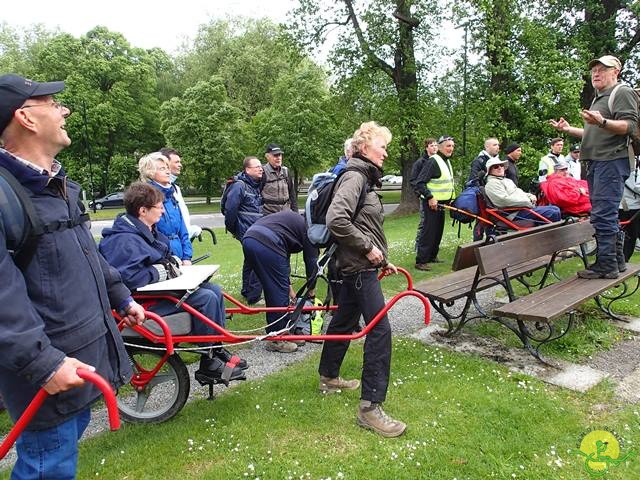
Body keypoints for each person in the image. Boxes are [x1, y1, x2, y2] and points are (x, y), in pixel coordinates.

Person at [0, 73, 145, 478]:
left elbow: (87, 255)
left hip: (80, 356)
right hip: (50, 366)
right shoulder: (5, 196)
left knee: (61, 452)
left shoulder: (61, 187)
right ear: (26, 118)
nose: (64, 110)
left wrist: (122, 296)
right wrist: (43, 363)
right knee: (47, 465)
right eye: (52, 103)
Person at [99, 182, 247, 381]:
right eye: (159, 207)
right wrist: (162, 270)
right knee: (206, 298)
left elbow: (164, 255)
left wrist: (172, 263)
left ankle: (216, 350)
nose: (162, 211)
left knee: (214, 290)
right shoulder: (123, 241)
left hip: (157, 294)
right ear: (143, 210)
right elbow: (128, 279)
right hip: (138, 305)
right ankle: (208, 361)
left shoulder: (148, 231)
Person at [317, 121, 405, 438]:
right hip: (357, 267)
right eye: (382, 145)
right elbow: (337, 219)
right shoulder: (355, 176)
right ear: (365, 148)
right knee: (380, 331)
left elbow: (363, 225)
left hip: (358, 265)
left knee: (342, 323)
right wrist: (369, 250)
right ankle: (370, 409)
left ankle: (328, 377)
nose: (386, 151)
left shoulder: (363, 178)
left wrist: (383, 258)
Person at [550, 54, 639, 278]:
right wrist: (569, 130)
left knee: (603, 214)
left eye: (602, 69)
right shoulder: (600, 97)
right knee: (604, 214)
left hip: (611, 161)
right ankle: (616, 262)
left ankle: (606, 265)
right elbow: (594, 133)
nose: (596, 73)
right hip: (598, 162)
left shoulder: (622, 92)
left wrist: (602, 121)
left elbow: (629, 125)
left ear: (615, 72)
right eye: (594, 70)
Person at [242, 210, 318, 353]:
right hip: (268, 243)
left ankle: (284, 332)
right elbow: (311, 262)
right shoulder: (311, 231)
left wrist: (290, 290)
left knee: (274, 289)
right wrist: (311, 293)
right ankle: (277, 338)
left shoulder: (293, 223)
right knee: (278, 292)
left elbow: (282, 264)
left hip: (250, 239)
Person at [223, 156, 264, 304]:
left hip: (254, 229)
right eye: (257, 167)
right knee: (258, 260)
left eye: (261, 166)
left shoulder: (254, 185)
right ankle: (254, 296)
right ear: (247, 170)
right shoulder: (239, 186)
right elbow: (230, 210)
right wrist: (235, 229)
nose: (261, 168)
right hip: (247, 230)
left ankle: (247, 291)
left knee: (250, 260)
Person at [138, 152, 193, 265]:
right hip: (161, 258)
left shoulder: (171, 196)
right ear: (150, 173)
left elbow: (183, 230)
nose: (168, 171)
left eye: (167, 167)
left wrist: (187, 256)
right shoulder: (146, 199)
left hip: (180, 255)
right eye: (162, 169)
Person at [413, 135, 455, 270]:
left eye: (453, 146)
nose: (451, 149)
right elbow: (420, 182)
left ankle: (432, 256)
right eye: (448, 146)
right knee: (428, 231)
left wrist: (451, 198)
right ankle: (421, 261)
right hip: (431, 203)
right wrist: (430, 197)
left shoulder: (446, 161)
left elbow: (448, 183)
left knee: (437, 232)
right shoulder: (433, 161)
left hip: (442, 203)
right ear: (441, 147)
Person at [484, 158, 561, 226]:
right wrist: (526, 202)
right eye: (496, 167)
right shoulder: (492, 183)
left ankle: (547, 235)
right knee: (552, 212)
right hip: (514, 213)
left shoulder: (507, 180)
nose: (500, 168)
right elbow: (503, 201)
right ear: (490, 171)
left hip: (523, 208)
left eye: (501, 165)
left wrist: (530, 195)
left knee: (555, 208)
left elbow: (519, 192)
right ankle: (550, 238)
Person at [160, 147, 202, 240]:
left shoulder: (175, 188)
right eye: (176, 162)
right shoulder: (155, 191)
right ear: (165, 163)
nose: (180, 165)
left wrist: (188, 231)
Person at [261, 143, 297, 215]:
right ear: (267, 157)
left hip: (286, 213)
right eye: (275, 155)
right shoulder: (262, 172)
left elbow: (292, 194)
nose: (279, 158)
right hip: (268, 214)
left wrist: (295, 212)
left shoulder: (286, 171)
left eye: (280, 155)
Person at [619, 161, 640, 261]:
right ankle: (622, 263)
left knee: (630, 239)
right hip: (629, 207)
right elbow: (636, 185)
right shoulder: (630, 163)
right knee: (629, 240)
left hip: (631, 206)